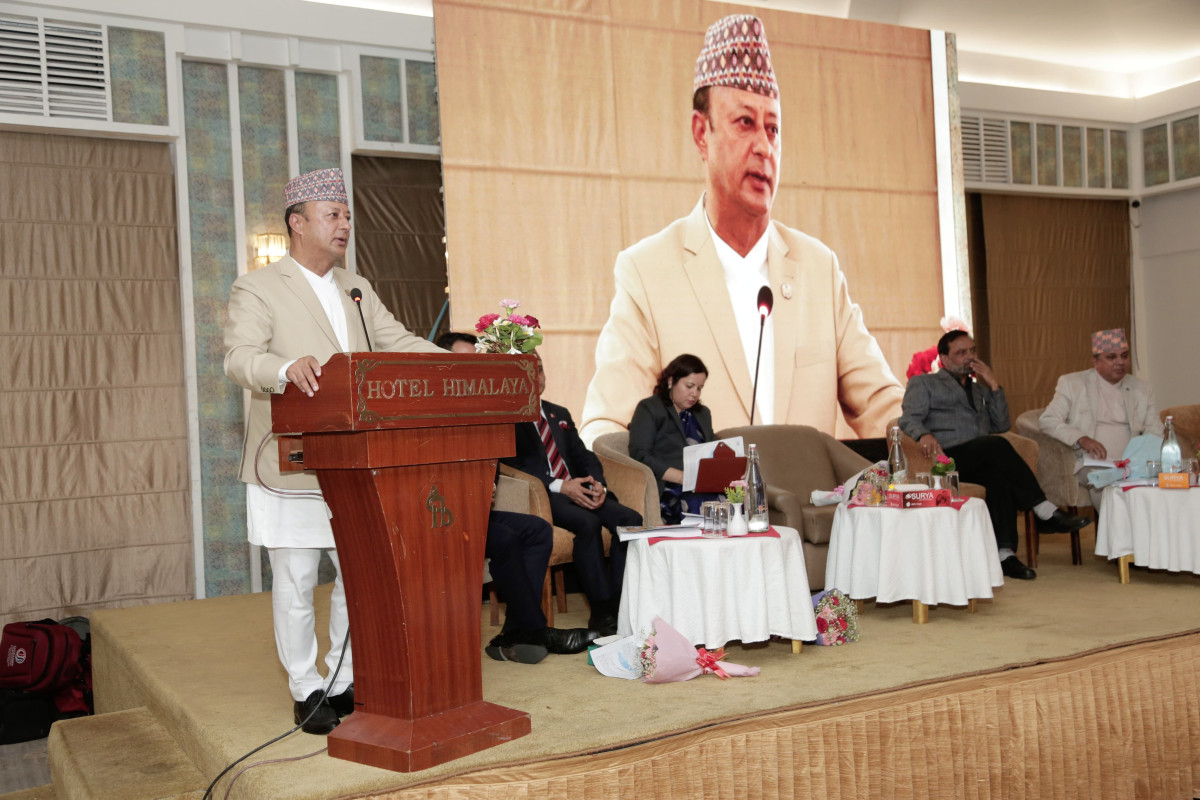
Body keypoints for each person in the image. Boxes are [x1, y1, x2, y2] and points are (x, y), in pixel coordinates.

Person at [579, 13, 903, 446]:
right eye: (745, 123)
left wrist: (937, 439)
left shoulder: (818, 269)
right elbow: (607, 430)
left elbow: (883, 406)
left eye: (773, 128)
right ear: (702, 133)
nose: (764, 147)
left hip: (812, 493)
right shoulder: (647, 272)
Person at [223, 168, 443, 734]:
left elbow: (397, 343)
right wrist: (282, 368)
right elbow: (239, 357)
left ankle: (343, 678)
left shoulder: (356, 286)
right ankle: (306, 687)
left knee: (356, 576)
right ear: (297, 223)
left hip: (356, 461)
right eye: (333, 215)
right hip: (291, 460)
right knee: (297, 580)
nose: (345, 224)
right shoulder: (259, 286)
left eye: (347, 215)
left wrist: (460, 364)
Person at [899, 330, 1091, 580]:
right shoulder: (924, 383)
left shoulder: (980, 390)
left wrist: (993, 385)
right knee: (996, 445)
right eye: (961, 353)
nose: (969, 357)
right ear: (944, 359)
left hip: (981, 456)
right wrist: (924, 434)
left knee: (998, 479)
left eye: (972, 351)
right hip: (946, 457)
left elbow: (1001, 424)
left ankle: (1004, 555)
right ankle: (1043, 509)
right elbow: (908, 418)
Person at [501, 352, 641, 635]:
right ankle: (601, 612)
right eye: (527, 370)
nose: (536, 376)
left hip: (579, 487)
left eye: (540, 369)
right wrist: (561, 486)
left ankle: (620, 603)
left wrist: (598, 483)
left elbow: (584, 456)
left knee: (631, 520)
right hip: (544, 494)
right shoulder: (506, 418)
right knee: (587, 523)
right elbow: (512, 466)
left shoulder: (558, 413)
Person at [1038, 328, 1162, 508]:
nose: (1120, 362)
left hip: (1133, 463)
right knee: (1103, 483)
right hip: (1093, 462)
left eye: (1125, 356)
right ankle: (1115, 526)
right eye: (1112, 357)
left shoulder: (1142, 389)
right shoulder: (1073, 384)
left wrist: (1140, 458)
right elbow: (1048, 420)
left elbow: (1155, 431)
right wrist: (1082, 439)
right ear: (1095, 362)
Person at [484, 505, 599, 663]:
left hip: (473, 511)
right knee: (504, 538)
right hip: (450, 518)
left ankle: (514, 631)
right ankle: (536, 630)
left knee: (538, 529)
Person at [628, 354, 718, 523]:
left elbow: (713, 451)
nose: (694, 394)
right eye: (689, 386)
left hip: (701, 484)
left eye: (699, 388)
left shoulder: (703, 413)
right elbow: (640, 455)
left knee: (735, 500)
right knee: (702, 503)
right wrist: (682, 477)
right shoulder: (649, 408)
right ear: (671, 381)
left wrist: (730, 468)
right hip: (669, 486)